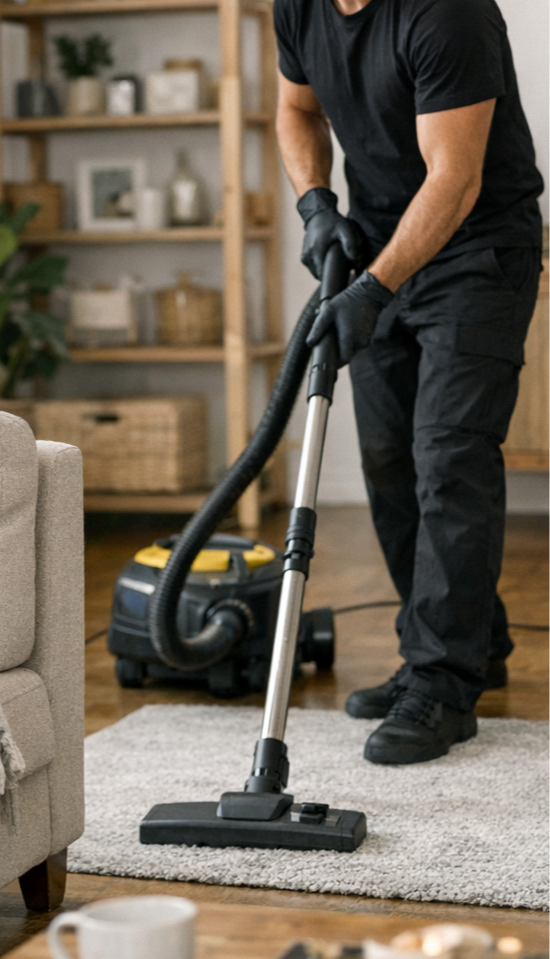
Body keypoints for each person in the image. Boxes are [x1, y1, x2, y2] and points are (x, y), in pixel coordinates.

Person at [274, 0, 543, 764]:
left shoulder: (445, 12)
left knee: (448, 458)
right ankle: (470, 644)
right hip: (383, 243)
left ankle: (442, 685)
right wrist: (316, 204)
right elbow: (296, 108)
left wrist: (371, 290)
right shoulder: (298, 6)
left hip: (477, 253)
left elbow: (454, 180)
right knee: (389, 461)